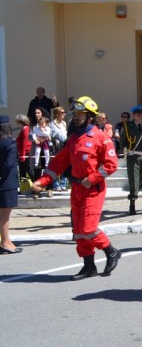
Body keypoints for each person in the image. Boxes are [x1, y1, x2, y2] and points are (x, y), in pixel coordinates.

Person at [31, 96, 122, 280]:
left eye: (80, 114)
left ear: (90, 116)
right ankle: (89, 266)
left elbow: (111, 164)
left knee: (89, 229)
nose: (76, 117)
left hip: (93, 188)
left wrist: (93, 177)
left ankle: (111, 251)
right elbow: (58, 163)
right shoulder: (74, 139)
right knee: (79, 231)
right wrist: (42, 181)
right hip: (77, 188)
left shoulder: (101, 137)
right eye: (75, 114)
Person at [0, 116, 20, 254]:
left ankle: (7, 240)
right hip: (7, 182)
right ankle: (5, 242)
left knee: (3, 214)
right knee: (5, 214)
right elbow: (8, 164)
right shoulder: (10, 143)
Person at [15, 114, 34, 183]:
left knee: (28, 169)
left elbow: (24, 143)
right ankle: (24, 186)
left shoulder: (25, 129)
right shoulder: (24, 128)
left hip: (25, 152)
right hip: (22, 152)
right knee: (22, 170)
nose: (16, 123)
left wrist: (22, 156)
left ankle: (36, 184)